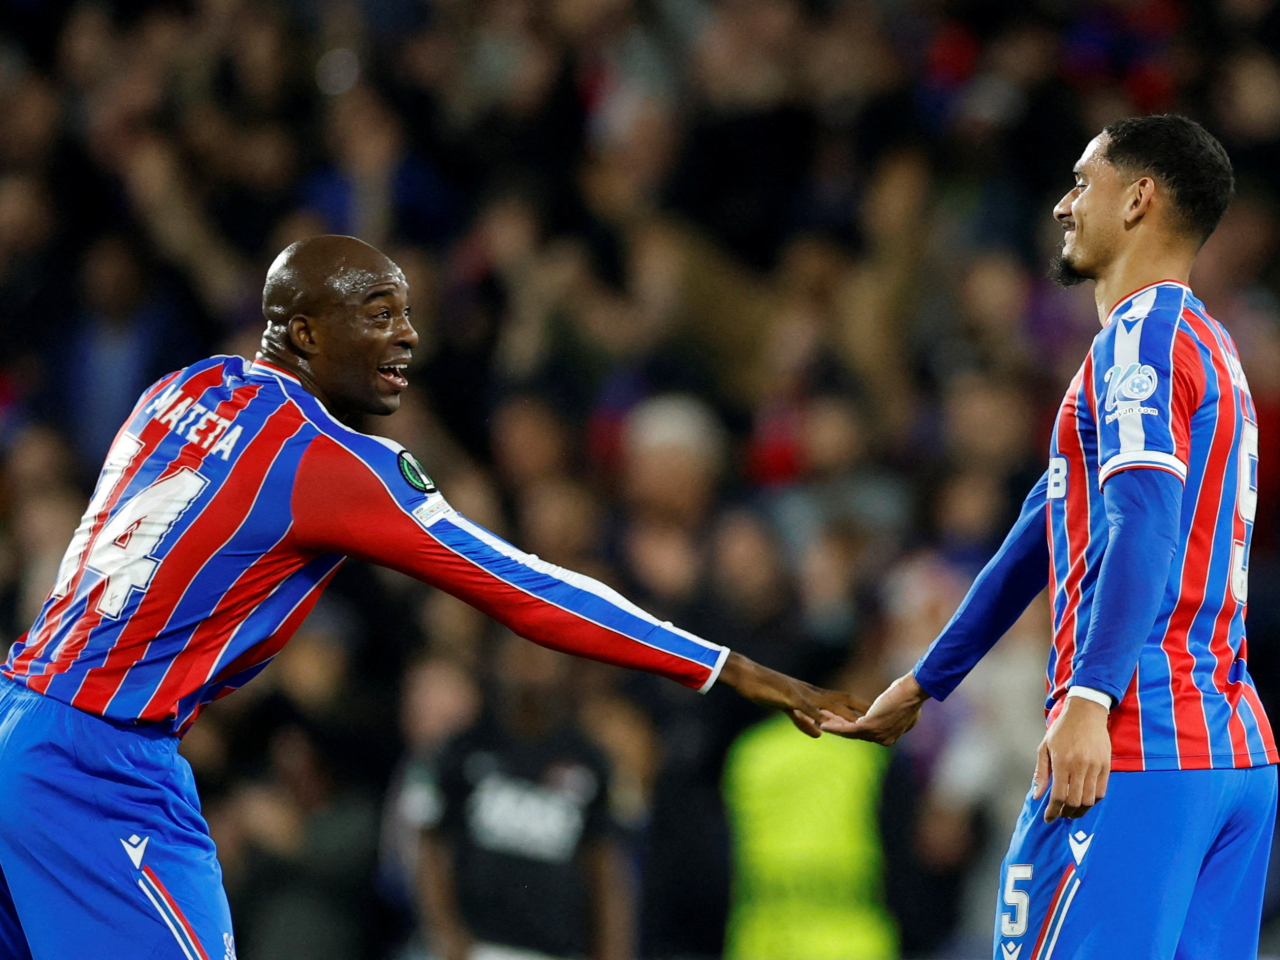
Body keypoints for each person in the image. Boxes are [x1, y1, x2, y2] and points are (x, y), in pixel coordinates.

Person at [0, 234, 864, 960]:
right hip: (100, 767)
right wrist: (730, 667)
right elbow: (526, 588)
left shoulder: (179, 388)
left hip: (18, 715)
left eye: (407, 312)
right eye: (378, 315)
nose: (409, 337)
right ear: (302, 330)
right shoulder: (328, 461)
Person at [822, 114, 1278, 960]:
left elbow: (1145, 518)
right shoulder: (1208, 347)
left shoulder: (1140, 339)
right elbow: (1041, 531)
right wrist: (928, 682)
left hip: (1134, 746)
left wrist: (1089, 701)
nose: (1065, 205)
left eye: (1083, 183)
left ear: (1139, 199)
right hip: (1229, 752)